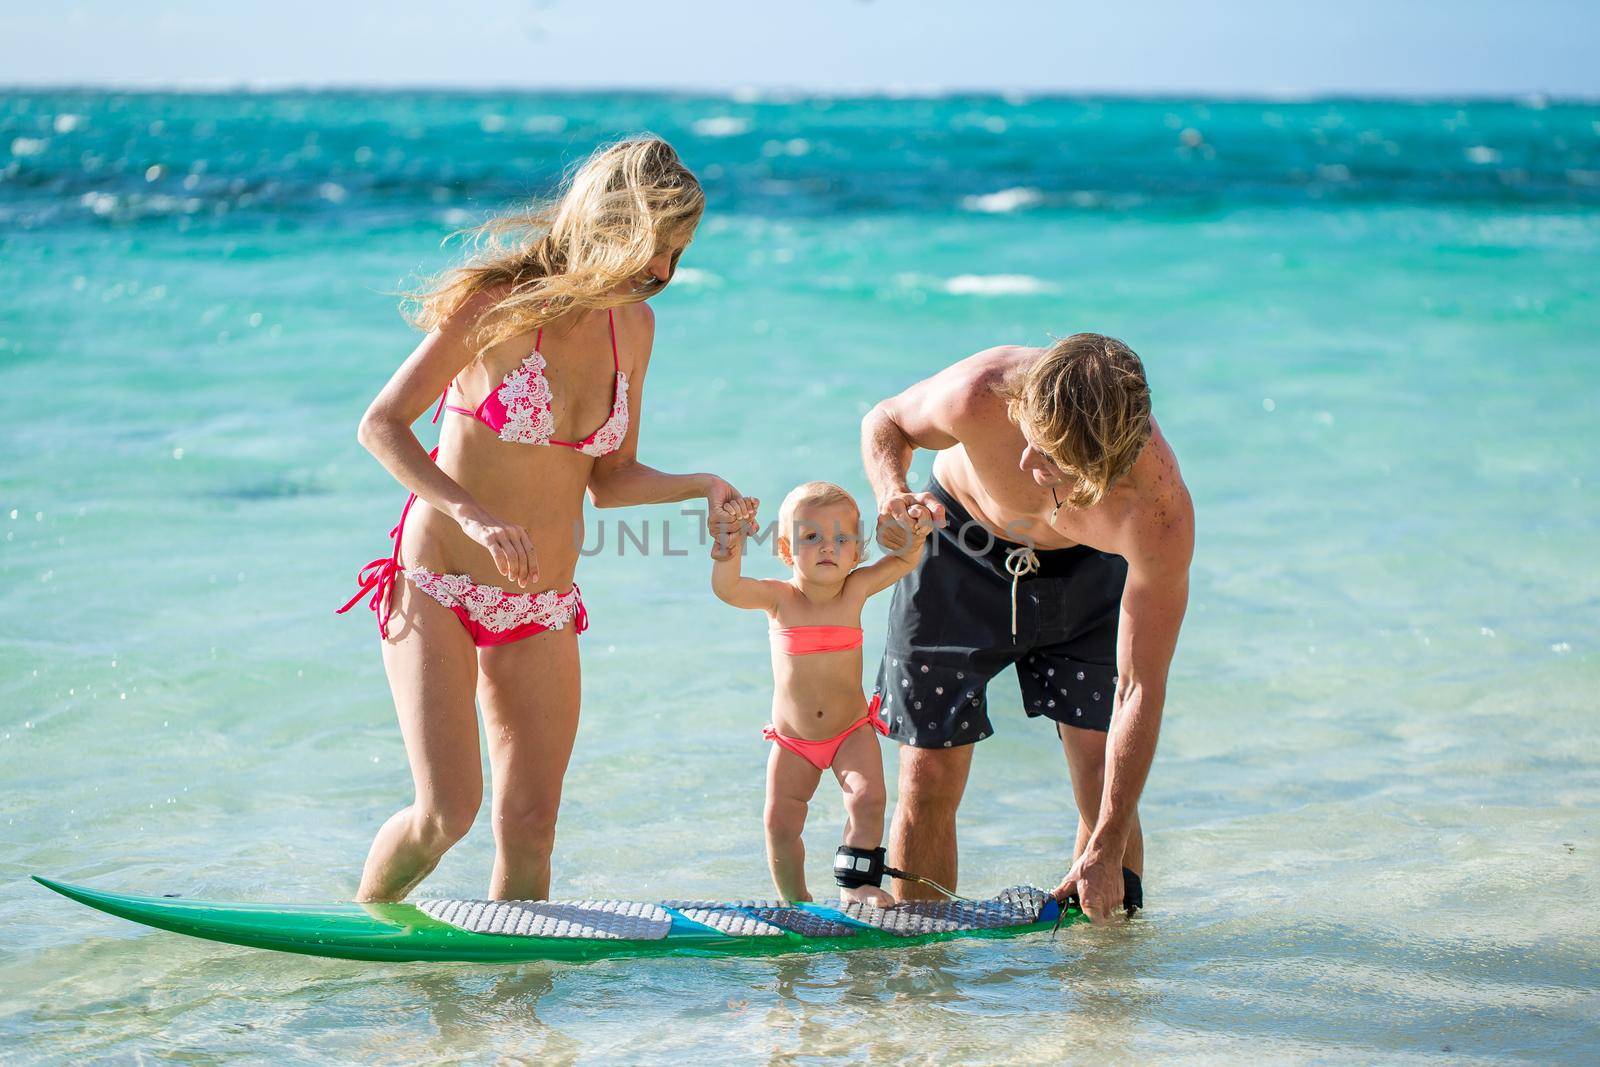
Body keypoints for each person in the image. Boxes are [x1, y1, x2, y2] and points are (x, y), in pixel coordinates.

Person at [337, 138, 744, 902]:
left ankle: (518, 1012)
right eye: (655, 251)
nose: (663, 275)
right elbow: (381, 424)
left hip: (544, 602)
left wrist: (704, 485)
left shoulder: (635, 330)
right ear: (610, 226)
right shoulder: (497, 307)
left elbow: (611, 479)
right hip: (439, 582)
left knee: (531, 823)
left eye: (678, 257)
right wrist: (473, 513)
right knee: (447, 813)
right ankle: (371, 925)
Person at [860, 333, 1193, 922]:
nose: (1024, 463)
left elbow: (1139, 688)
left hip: (1088, 571)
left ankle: (1105, 988)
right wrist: (893, 491)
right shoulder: (983, 391)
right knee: (930, 766)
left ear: (1104, 466)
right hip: (959, 549)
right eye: (1030, 437)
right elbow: (885, 420)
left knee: (1100, 772)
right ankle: (920, 985)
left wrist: (1108, 841)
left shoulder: (1156, 514)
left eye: (1050, 458)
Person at [709, 483, 932, 906]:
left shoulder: (856, 589)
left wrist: (914, 533)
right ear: (786, 549)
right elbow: (729, 588)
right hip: (794, 741)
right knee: (779, 822)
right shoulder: (780, 598)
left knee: (869, 798)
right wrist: (728, 545)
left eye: (841, 538)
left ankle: (857, 884)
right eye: (811, 537)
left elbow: (905, 560)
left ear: (857, 551)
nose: (828, 547)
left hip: (850, 730)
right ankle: (795, 900)